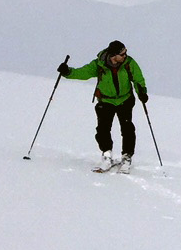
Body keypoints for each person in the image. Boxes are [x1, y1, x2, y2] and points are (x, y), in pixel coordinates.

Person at [60, 40, 149, 172]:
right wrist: (67, 72)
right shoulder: (99, 64)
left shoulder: (129, 63)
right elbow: (83, 73)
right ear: (113, 55)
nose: (125, 56)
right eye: (122, 54)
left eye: (125, 53)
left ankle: (126, 157)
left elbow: (138, 79)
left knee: (127, 128)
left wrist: (142, 92)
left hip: (125, 100)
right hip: (105, 101)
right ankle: (107, 155)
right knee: (102, 130)